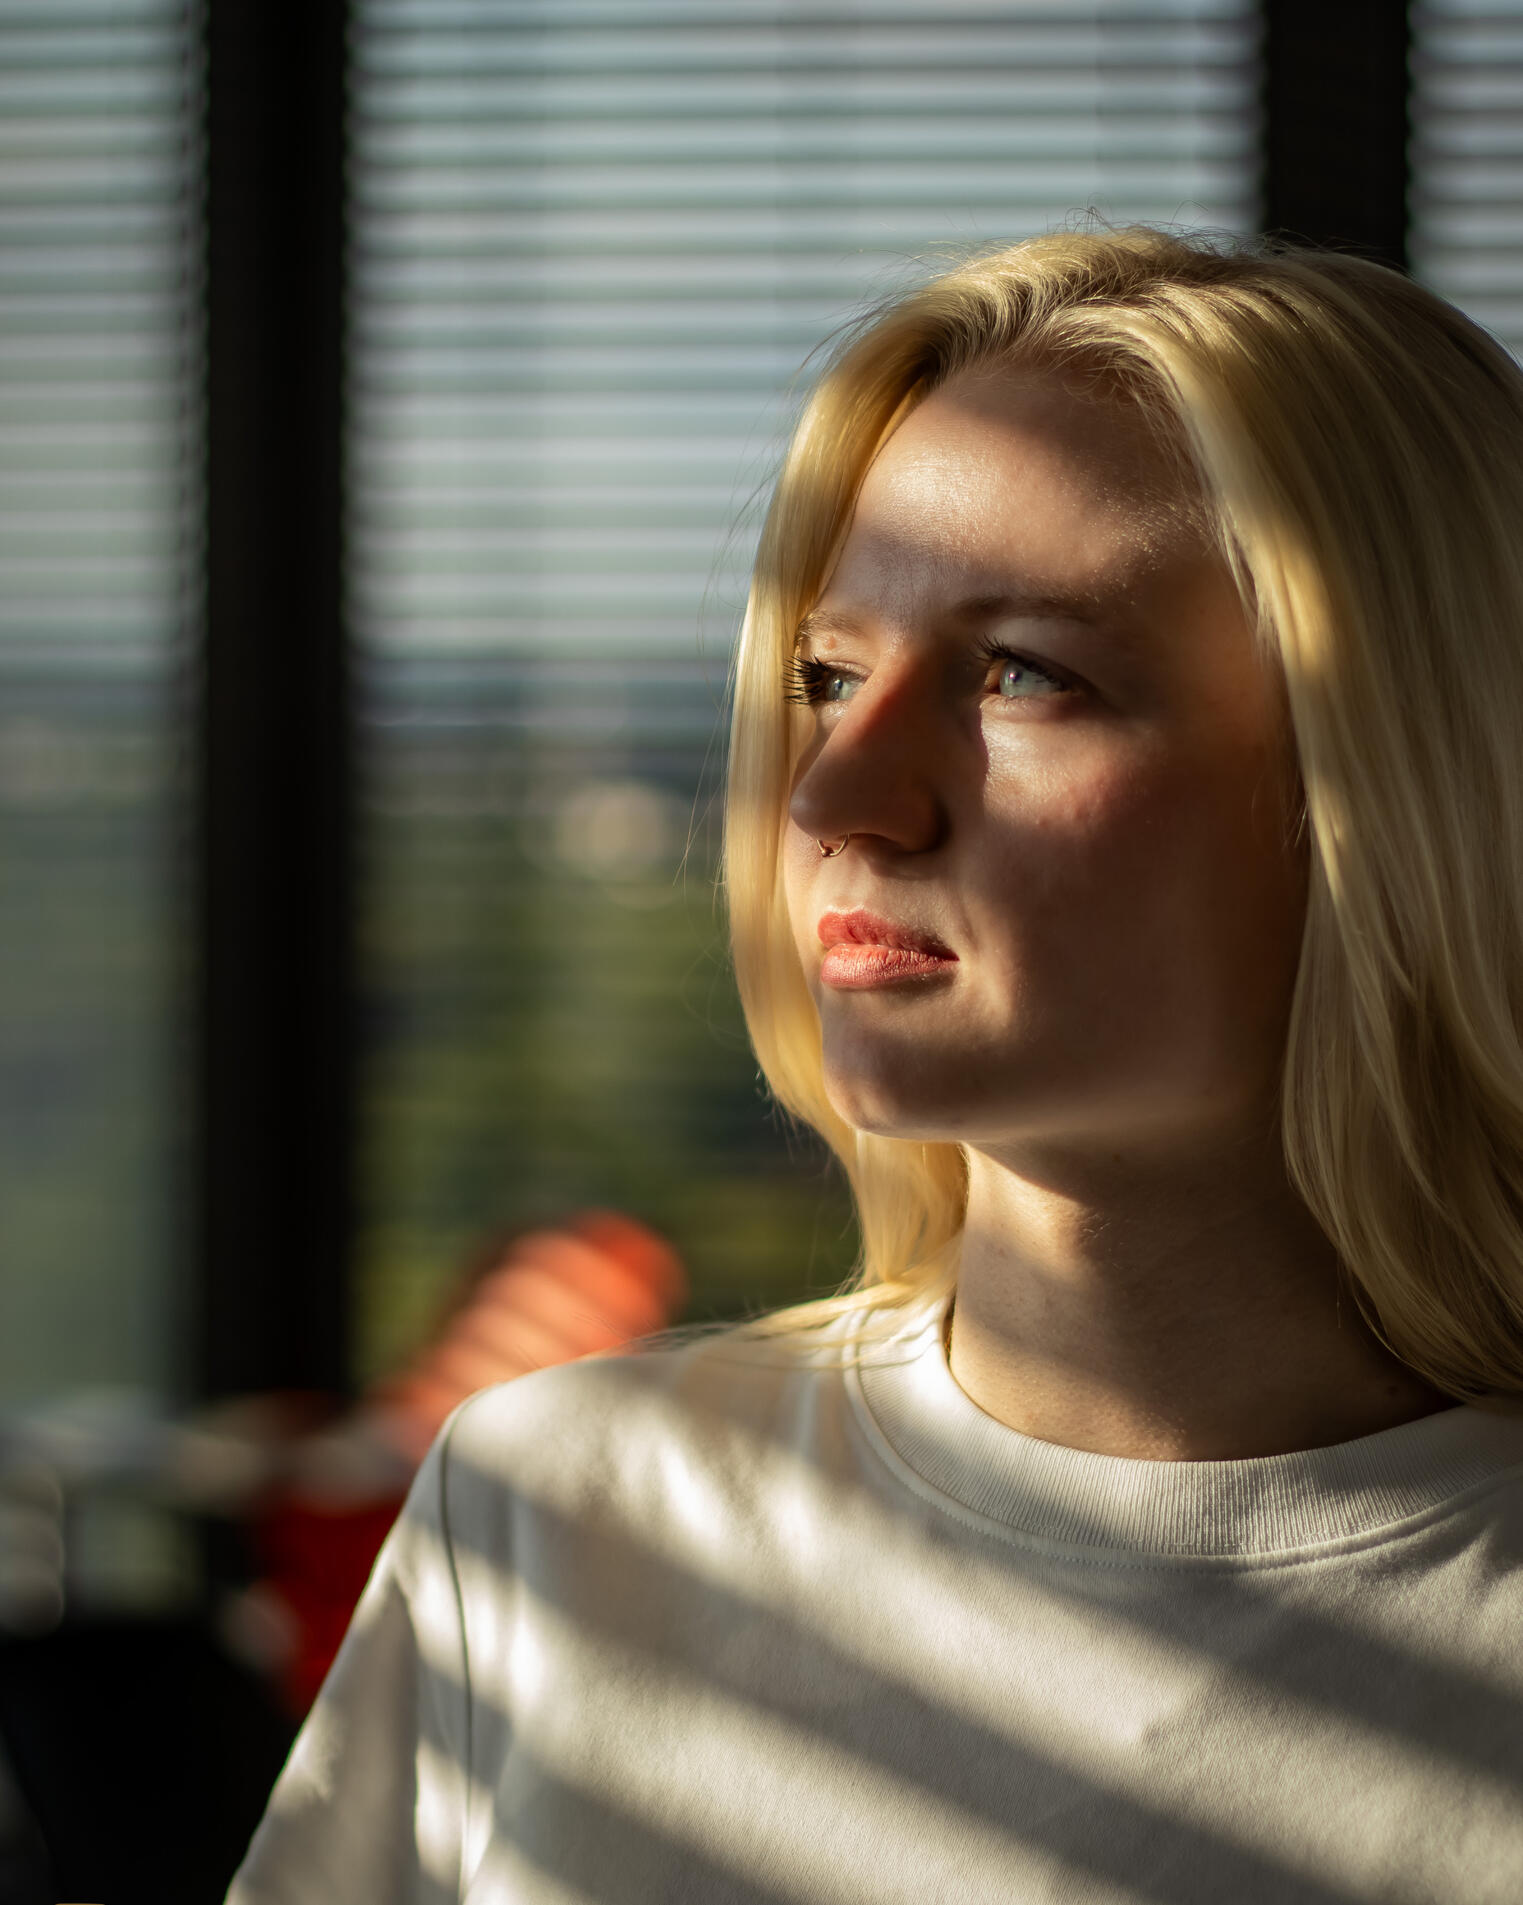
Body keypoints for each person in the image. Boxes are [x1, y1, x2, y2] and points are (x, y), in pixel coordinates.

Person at [227, 228, 1523, 1903]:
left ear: (1399, 794)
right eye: (829, 676)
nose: (838, 797)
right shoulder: (558, 1516)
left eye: (1023, 673)